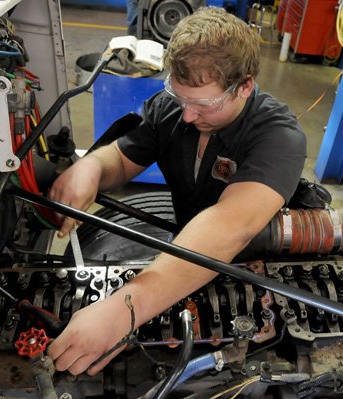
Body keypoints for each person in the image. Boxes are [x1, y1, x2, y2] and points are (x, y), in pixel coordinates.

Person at [47, 6, 306, 376]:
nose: (186, 115)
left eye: (202, 103)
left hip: (248, 273)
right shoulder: (174, 109)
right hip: (181, 253)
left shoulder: (279, 138)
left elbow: (226, 228)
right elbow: (121, 161)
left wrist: (123, 312)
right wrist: (89, 168)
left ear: (245, 86)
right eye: (179, 96)